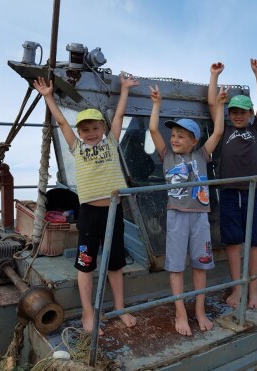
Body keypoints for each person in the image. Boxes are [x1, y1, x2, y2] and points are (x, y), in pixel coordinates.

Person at [33, 72, 139, 335]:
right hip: (89, 213)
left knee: (115, 263)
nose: (90, 133)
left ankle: (119, 308)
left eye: (95, 128)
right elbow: (61, 122)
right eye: (85, 130)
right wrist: (48, 97)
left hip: (114, 211)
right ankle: (88, 314)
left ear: (103, 128)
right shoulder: (77, 148)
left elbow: (120, 116)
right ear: (79, 132)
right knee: (86, 263)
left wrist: (124, 90)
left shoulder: (112, 141)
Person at [148, 83, 228, 335]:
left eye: (181, 136)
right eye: (173, 135)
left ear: (194, 141)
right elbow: (152, 128)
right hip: (176, 216)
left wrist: (221, 106)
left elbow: (218, 131)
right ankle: (180, 313)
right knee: (176, 268)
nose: (174, 139)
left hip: (200, 218)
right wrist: (157, 104)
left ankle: (200, 311)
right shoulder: (167, 156)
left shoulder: (202, 155)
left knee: (201, 265)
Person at [208, 59, 257, 310]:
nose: (238, 116)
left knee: (254, 243)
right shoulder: (223, 131)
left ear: (250, 114)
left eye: (242, 112)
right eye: (234, 112)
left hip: (253, 192)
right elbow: (213, 103)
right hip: (230, 193)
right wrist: (214, 76)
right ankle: (237, 289)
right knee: (233, 243)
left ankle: (253, 291)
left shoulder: (256, 130)